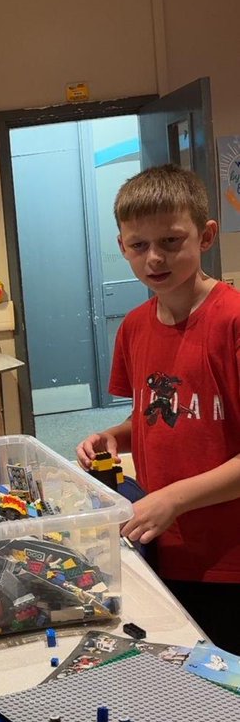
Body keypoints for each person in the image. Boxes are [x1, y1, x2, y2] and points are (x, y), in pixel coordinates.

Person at [76, 163, 240, 651]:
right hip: (161, 544)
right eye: (138, 245)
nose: (154, 258)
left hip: (228, 558)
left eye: (171, 241)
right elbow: (159, 416)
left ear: (206, 236)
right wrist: (115, 437)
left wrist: (175, 498)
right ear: (122, 245)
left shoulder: (231, 321)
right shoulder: (134, 327)